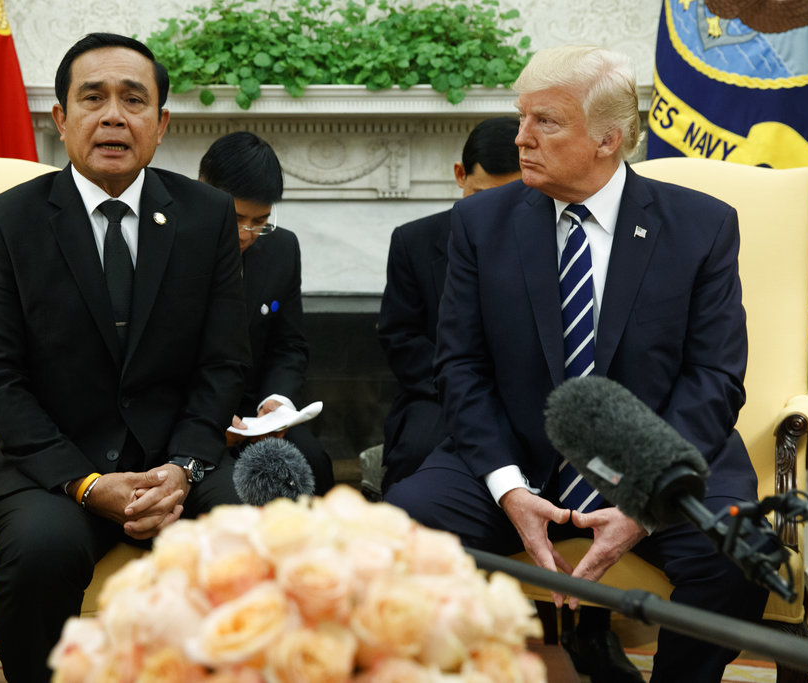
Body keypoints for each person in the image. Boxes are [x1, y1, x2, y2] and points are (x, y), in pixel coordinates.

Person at [385, 45, 768, 683]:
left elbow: (715, 378)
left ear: (607, 140)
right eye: (521, 117)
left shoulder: (700, 227)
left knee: (735, 559)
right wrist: (507, 487)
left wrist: (645, 497)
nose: (521, 139)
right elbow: (460, 367)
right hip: (516, 447)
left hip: (660, 453)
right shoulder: (480, 221)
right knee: (398, 534)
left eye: (546, 122)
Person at [0, 33, 250, 682]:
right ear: (60, 119)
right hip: (49, 465)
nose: (113, 115)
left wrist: (181, 466)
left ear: (161, 122)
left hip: (176, 458)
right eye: (92, 98)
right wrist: (86, 483)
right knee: (42, 550)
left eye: (133, 99)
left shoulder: (207, 217)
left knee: (243, 533)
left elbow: (223, 364)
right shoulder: (7, 222)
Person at [378, 116, 520, 493]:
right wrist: (462, 385)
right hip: (439, 393)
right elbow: (400, 338)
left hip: (526, 393)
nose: (494, 212)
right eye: (482, 195)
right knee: (417, 456)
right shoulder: (415, 241)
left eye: (510, 197)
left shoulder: (553, 241)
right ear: (460, 175)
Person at [197, 131, 334, 494]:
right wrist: (207, 415)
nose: (248, 234)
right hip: (190, 413)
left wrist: (277, 402)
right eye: (238, 218)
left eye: (260, 221)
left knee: (313, 464)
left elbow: (289, 345)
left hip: (258, 415)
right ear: (203, 190)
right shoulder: (171, 244)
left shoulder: (281, 248)